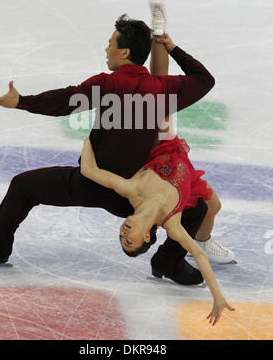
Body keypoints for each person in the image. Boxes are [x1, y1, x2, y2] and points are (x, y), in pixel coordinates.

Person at [0, 15, 214, 286]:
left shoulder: (108, 84)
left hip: (92, 183)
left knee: (23, 186)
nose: (106, 49)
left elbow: (66, 100)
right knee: (198, 208)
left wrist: (21, 102)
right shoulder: (162, 90)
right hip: (133, 195)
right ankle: (167, 261)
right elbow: (204, 79)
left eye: (110, 44)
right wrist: (172, 47)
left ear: (124, 52)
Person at [79, 135, 235, 326]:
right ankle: (201, 240)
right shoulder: (173, 225)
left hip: (162, 144)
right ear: (146, 236)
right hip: (186, 175)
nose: (123, 234)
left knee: (214, 207)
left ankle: (202, 238)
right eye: (128, 241)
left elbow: (88, 170)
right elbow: (200, 256)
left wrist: (92, 135)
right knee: (214, 206)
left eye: (120, 237)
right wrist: (218, 297)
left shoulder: (131, 189)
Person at [150, 35, 235, 264]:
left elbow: (159, 75)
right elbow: (160, 74)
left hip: (169, 153)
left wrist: (162, 37)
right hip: (161, 163)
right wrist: (167, 43)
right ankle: (193, 244)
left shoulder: (156, 97)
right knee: (208, 206)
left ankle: (199, 241)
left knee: (212, 205)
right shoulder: (151, 102)